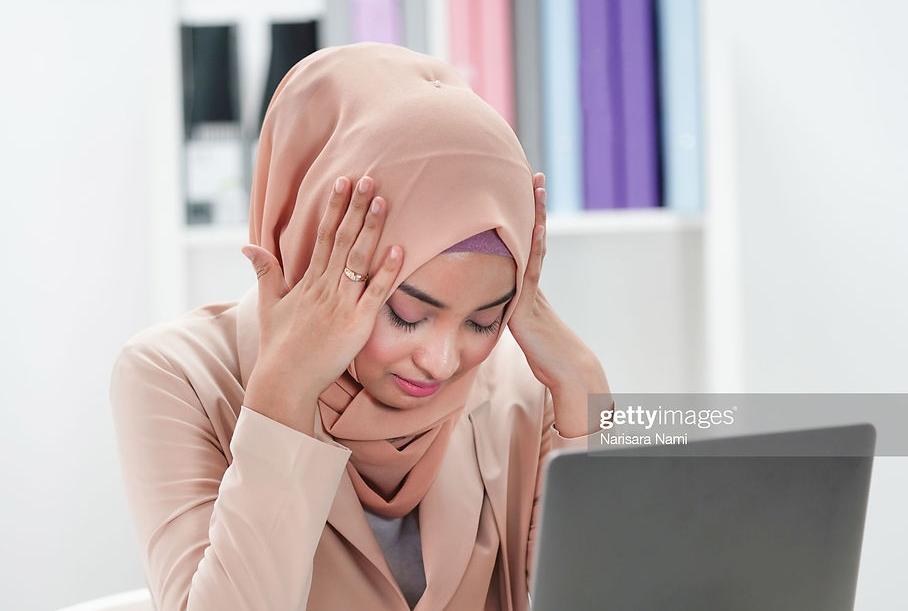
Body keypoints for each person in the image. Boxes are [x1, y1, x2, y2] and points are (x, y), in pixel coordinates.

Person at [110, 42, 610, 611]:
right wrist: (285, 392)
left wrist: (586, 392)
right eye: (407, 314)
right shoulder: (177, 377)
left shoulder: (525, 391)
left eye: (483, 320)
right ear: (314, 242)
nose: (442, 362)